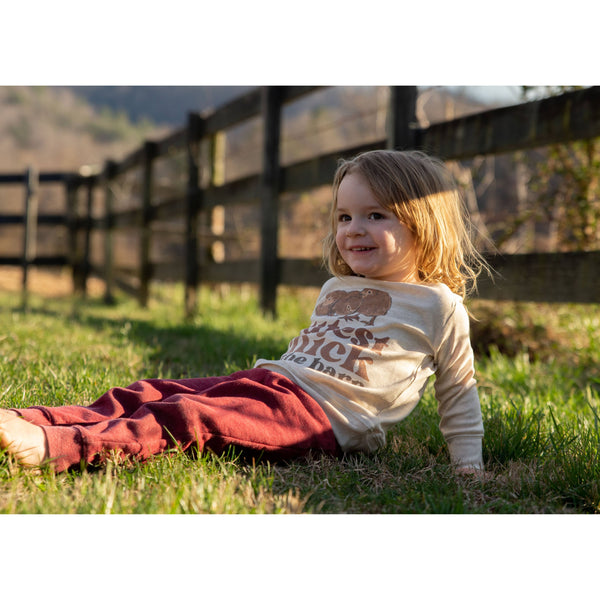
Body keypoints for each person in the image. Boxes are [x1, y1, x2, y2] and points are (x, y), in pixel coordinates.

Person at [0, 149, 488, 474]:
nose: (353, 229)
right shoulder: (336, 286)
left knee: (189, 416)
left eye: (375, 215)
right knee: (151, 391)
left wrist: (468, 468)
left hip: (324, 420)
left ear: (422, 225)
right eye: (344, 216)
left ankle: (54, 447)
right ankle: (34, 419)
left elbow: (459, 393)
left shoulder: (438, 306)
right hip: (275, 383)